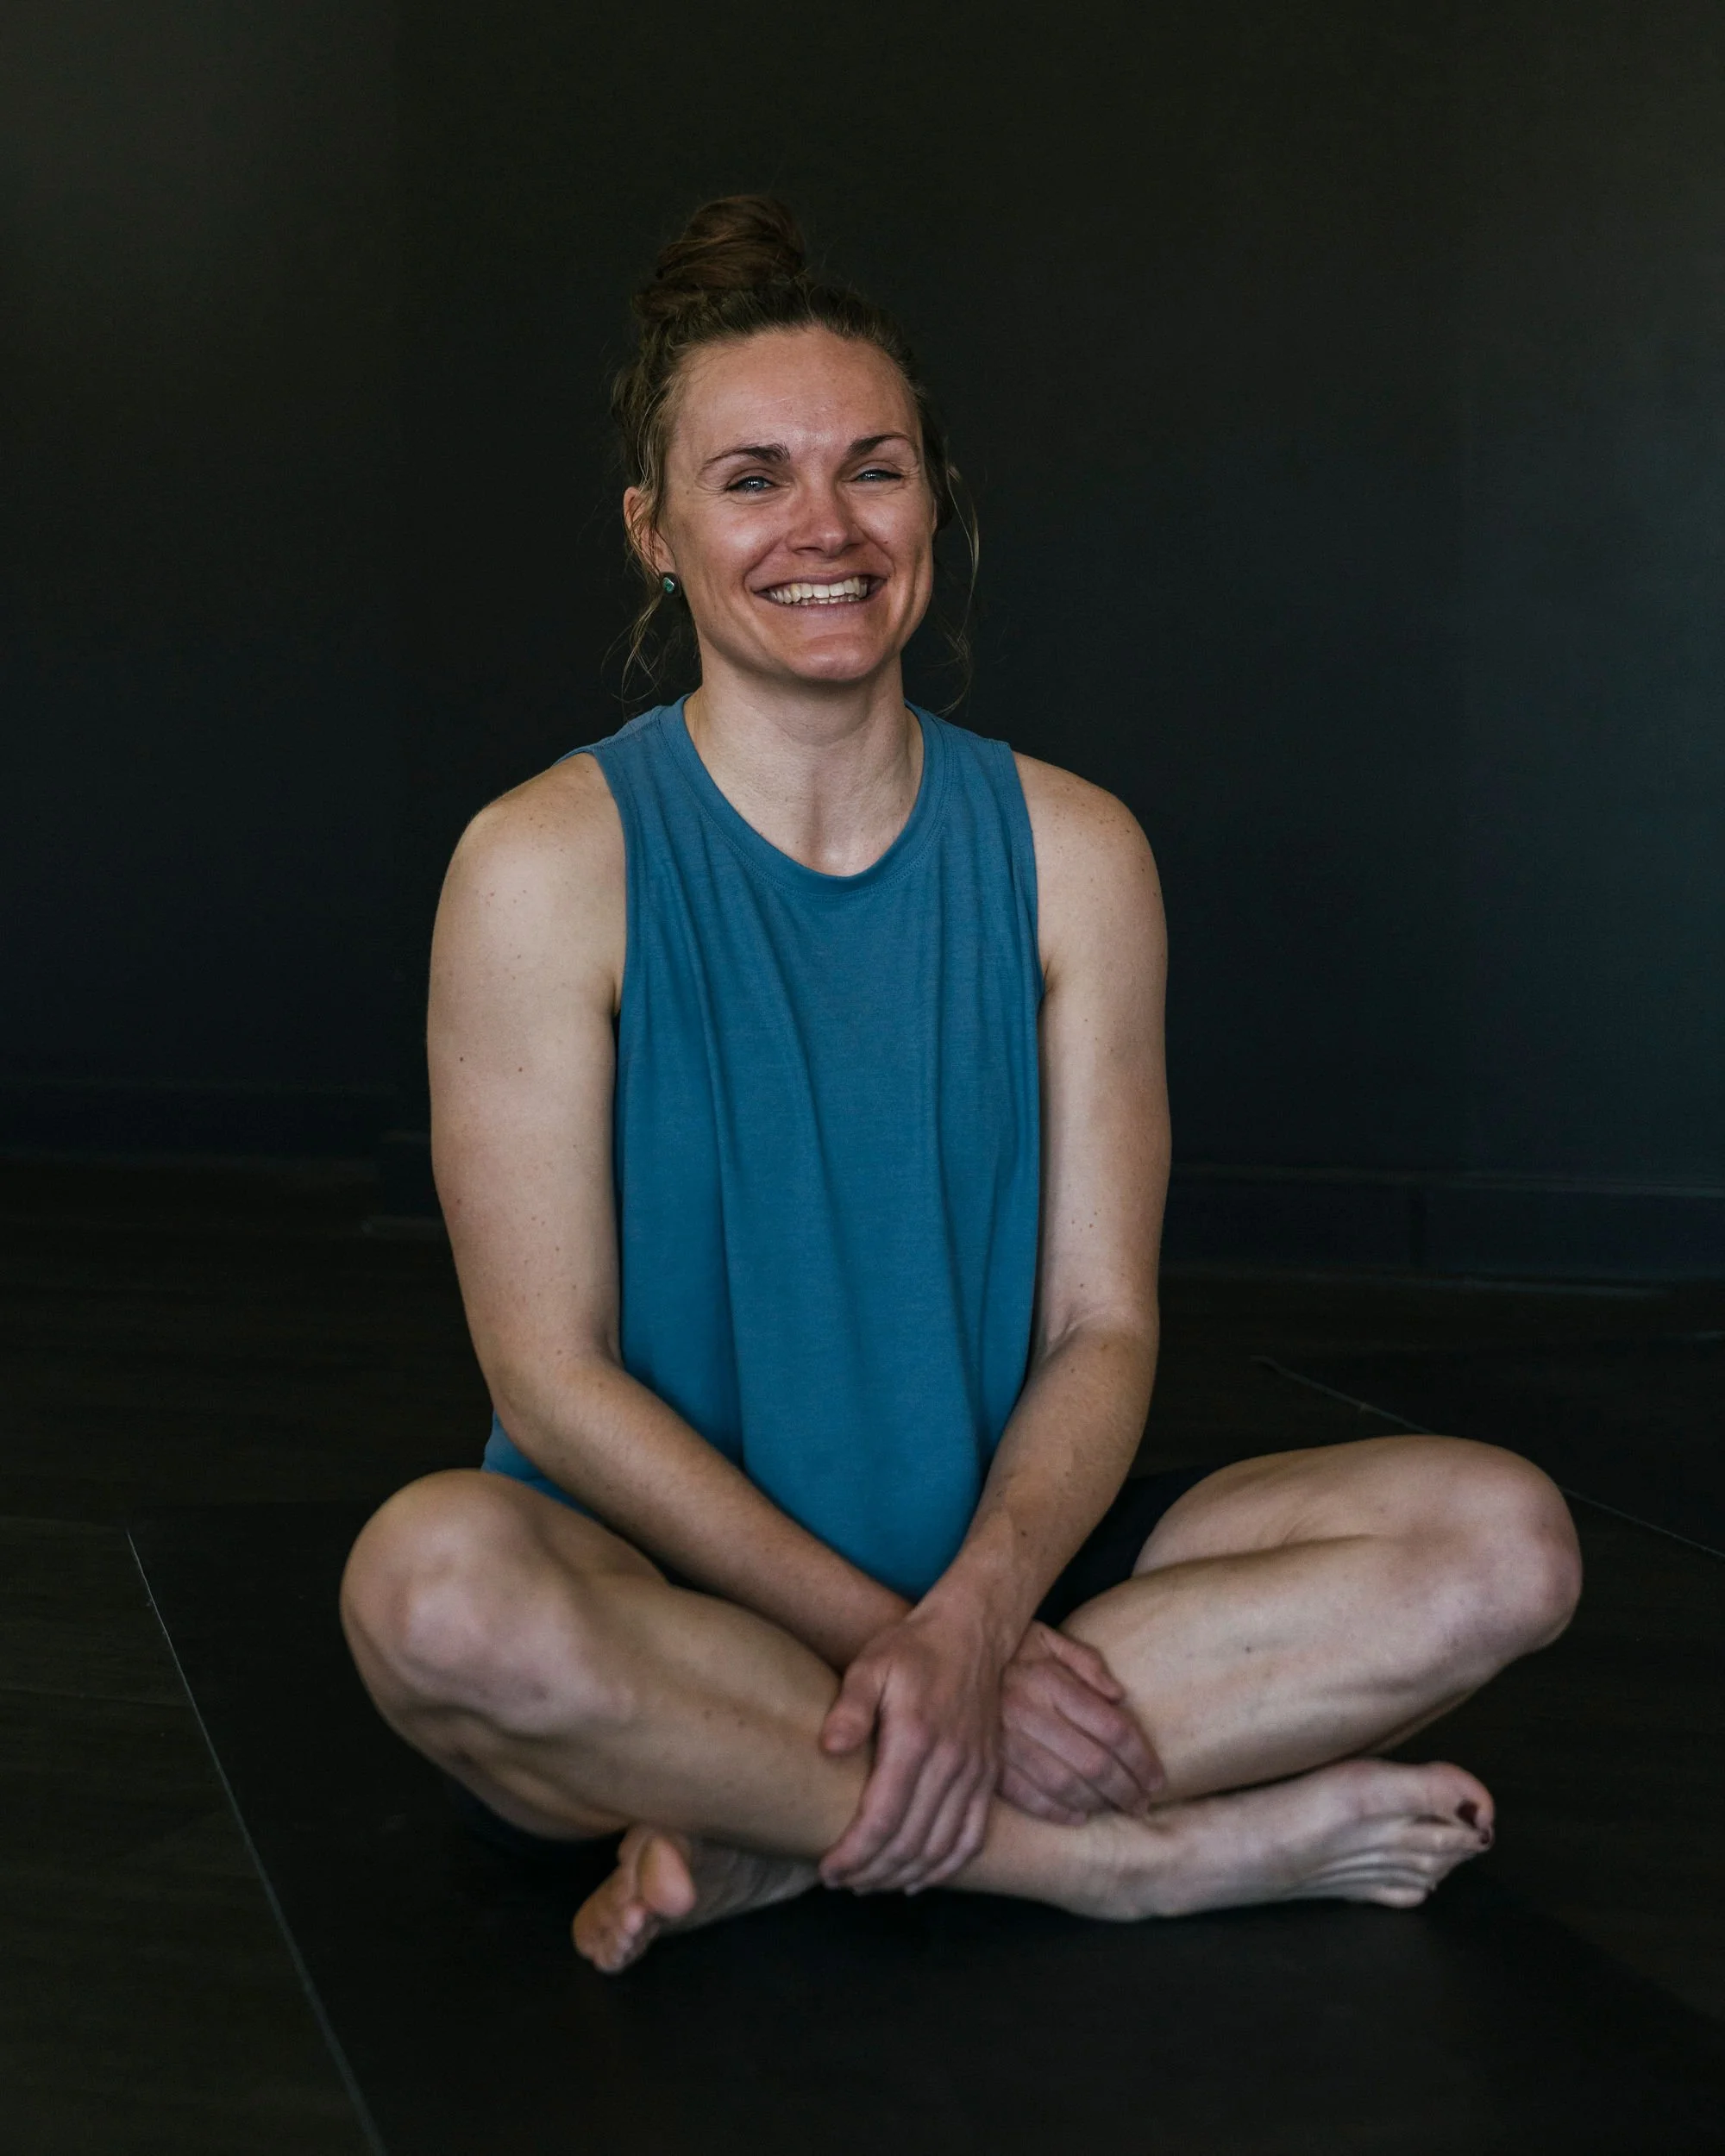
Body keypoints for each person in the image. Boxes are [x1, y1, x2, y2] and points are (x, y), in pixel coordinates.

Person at [340, 197, 1581, 1976]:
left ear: (935, 501)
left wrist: (981, 1613)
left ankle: (774, 1821)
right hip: (663, 1613)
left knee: (1499, 1542)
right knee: (429, 1586)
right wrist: (884, 1634)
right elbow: (550, 1371)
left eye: (875, 468)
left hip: (1009, 1576)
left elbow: (1098, 1323)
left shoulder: (1076, 852)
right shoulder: (543, 862)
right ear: (654, 533)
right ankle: (1102, 1862)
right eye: (752, 477)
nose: (825, 526)